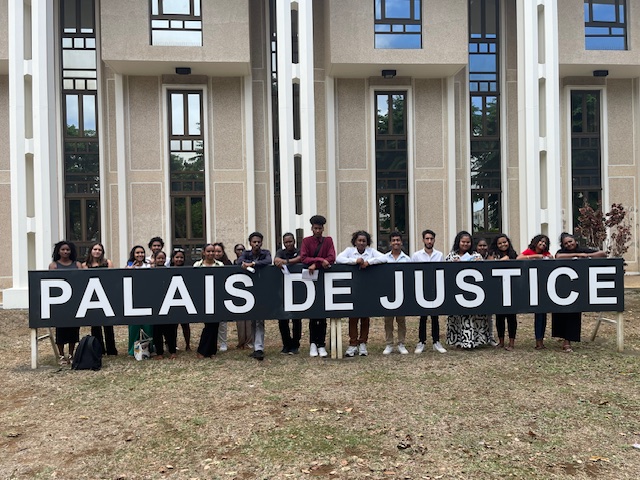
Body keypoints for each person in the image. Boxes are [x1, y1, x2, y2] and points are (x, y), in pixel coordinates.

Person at [336, 230, 387, 357]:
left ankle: (363, 342)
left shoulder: (371, 252)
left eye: (364, 241)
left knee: (365, 316)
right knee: (353, 317)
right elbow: (338, 259)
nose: (361, 243)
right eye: (359, 240)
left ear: (367, 242)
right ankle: (353, 343)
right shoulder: (349, 251)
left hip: (367, 288)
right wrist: (355, 261)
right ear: (355, 241)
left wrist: (369, 262)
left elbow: (384, 258)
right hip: (353, 287)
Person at [553, 233, 606, 352]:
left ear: (575, 241)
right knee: (560, 314)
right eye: (566, 243)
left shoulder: (583, 249)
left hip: (577, 287)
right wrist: (577, 255)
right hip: (562, 287)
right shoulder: (562, 252)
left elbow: (602, 254)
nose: (569, 244)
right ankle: (562, 337)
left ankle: (568, 342)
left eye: (570, 241)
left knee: (574, 314)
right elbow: (557, 256)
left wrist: (586, 255)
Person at [445, 231, 492, 349]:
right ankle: (459, 341)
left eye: (468, 242)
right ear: (458, 242)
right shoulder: (451, 256)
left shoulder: (477, 256)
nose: (465, 244)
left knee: (474, 318)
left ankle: (475, 341)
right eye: (463, 242)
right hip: (458, 293)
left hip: (475, 293)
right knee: (459, 317)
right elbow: (445, 273)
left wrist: (479, 264)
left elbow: (484, 273)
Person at [300, 214, 336, 358]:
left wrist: (316, 263)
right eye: (315, 228)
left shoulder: (328, 241)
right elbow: (303, 258)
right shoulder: (306, 241)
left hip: (325, 279)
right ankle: (312, 344)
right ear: (312, 228)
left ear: (323, 228)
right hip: (311, 279)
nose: (317, 231)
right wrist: (320, 260)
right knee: (313, 314)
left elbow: (332, 257)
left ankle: (321, 344)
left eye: (320, 228)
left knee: (323, 314)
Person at [411, 229, 447, 354]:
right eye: (427, 238)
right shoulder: (416, 255)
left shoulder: (439, 255)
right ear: (423, 240)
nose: (429, 241)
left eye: (431, 239)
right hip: (422, 289)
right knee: (423, 317)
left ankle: (436, 342)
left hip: (435, 289)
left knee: (435, 316)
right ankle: (421, 342)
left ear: (434, 240)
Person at [239, 232, 273, 361]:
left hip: (263, 289)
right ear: (250, 243)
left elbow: (268, 261)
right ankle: (255, 347)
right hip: (248, 291)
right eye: (254, 242)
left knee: (260, 320)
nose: (256, 244)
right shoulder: (246, 253)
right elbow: (239, 261)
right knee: (253, 320)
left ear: (262, 242)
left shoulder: (265, 253)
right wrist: (245, 264)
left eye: (259, 242)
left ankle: (259, 348)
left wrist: (252, 264)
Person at [49, 240, 82, 365]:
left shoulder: (77, 264)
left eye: (68, 249)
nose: (65, 252)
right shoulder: (54, 265)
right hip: (59, 301)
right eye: (63, 249)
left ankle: (71, 354)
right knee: (61, 329)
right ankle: (61, 355)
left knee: (74, 329)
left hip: (74, 301)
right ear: (58, 251)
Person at [517, 234, 552, 350]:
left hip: (544, 286)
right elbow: (519, 258)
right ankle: (538, 340)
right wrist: (536, 257)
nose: (542, 244)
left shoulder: (546, 254)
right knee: (538, 314)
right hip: (531, 286)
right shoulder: (529, 251)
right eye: (541, 242)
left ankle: (541, 340)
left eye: (545, 243)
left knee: (543, 315)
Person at [82, 242, 118, 356]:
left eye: (99, 250)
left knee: (108, 324)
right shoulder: (85, 265)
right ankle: (99, 349)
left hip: (106, 295)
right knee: (95, 325)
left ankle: (111, 350)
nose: (97, 251)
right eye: (95, 249)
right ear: (91, 251)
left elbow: (112, 278)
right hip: (91, 297)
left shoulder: (108, 263)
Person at [488, 234, 518, 350]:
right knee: (499, 317)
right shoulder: (493, 254)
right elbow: (490, 266)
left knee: (511, 317)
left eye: (504, 242)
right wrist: (503, 260)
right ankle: (501, 342)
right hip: (498, 289)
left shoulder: (513, 254)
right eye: (500, 243)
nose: (503, 245)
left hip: (511, 289)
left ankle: (511, 343)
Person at [274, 233, 303, 354]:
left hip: (298, 289)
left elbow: (301, 258)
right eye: (286, 242)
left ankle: (295, 344)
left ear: (294, 241)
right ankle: (286, 344)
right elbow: (276, 260)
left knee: (297, 319)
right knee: (283, 319)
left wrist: (286, 261)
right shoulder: (280, 252)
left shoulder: (299, 251)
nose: (288, 244)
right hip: (283, 289)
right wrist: (285, 261)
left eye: (290, 242)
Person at [383, 231, 411, 355]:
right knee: (388, 320)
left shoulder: (407, 259)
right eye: (393, 240)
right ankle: (389, 344)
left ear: (401, 242)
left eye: (398, 240)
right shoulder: (384, 258)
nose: (396, 242)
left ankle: (401, 343)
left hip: (402, 293)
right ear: (390, 243)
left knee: (401, 320)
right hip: (388, 292)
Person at [195, 244, 224, 358]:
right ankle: (202, 350)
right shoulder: (197, 265)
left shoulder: (220, 265)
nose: (211, 253)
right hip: (203, 298)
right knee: (208, 325)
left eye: (213, 251)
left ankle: (212, 351)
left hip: (216, 297)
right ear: (204, 252)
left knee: (215, 325)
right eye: (208, 251)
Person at [125, 245, 153, 356]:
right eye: (137, 253)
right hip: (133, 300)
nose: (140, 255)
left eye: (142, 252)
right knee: (134, 327)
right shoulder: (129, 266)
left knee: (148, 327)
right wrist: (130, 270)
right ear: (133, 254)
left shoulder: (148, 265)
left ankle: (149, 349)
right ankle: (133, 350)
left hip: (147, 298)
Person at [151, 251, 178, 359]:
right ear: (155, 259)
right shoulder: (150, 271)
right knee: (157, 331)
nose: (161, 260)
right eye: (159, 258)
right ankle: (160, 353)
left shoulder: (169, 270)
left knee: (171, 331)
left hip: (169, 304)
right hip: (156, 304)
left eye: (163, 258)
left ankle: (172, 351)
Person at [170, 247, 192, 351]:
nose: (179, 259)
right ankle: (173, 345)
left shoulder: (187, 270)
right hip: (171, 300)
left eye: (181, 257)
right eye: (177, 257)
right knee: (173, 326)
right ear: (173, 258)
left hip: (184, 300)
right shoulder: (168, 270)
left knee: (185, 325)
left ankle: (188, 345)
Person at [213, 242, 232, 352]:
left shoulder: (227, 263)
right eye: (214, 251)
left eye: (219, 251)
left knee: (223, 322)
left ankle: (223, 343)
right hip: (211, 295)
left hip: (223, 294)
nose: (216, 253)